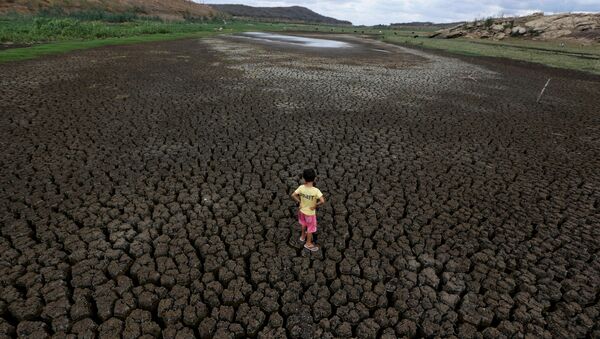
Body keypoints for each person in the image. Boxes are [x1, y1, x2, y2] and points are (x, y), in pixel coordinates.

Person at [291, 169, 325, 251]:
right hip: (310, 213)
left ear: (303, 178)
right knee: (310, 228)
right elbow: (322, 201)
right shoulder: (316, 191)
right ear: (314, 178)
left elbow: (293, 195)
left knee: (303, 223)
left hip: (302, 210)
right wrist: (315, 205)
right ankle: (308, 243)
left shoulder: (301, 187)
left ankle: (302, 237)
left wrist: (299, 201)